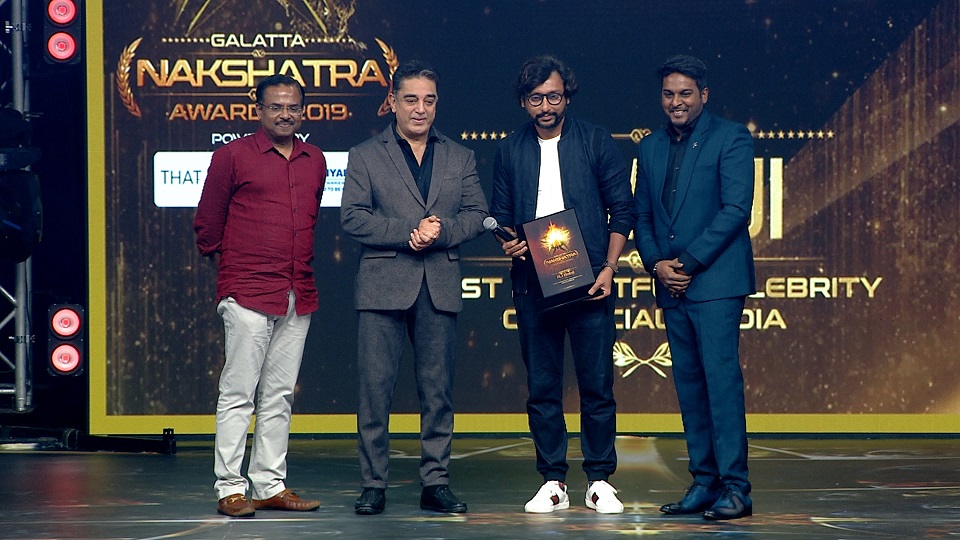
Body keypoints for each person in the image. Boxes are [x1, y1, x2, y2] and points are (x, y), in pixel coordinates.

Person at [489, 55, 636, 514]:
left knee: (597, 386)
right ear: (523, 102)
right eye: (536, 98)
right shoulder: (510, 149)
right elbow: (500, 215)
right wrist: (509, 242)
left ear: (567, 96)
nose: (546, 106)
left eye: (554, 96)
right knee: (542, 387)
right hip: (533, 283)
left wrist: (609, 267)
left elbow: (622, 210)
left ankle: (599, 481)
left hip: (590, 280)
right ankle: (553, 481)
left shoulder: (595, 140)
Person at [340, 61, 488, 515]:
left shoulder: (460, 155)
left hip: (438, 283)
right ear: (392, 101)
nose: (420, 109)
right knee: (375, 391)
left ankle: (435, 482)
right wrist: (409, 232)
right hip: (383, 284)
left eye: (429, 100)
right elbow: (353, 217)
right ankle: (373, 484)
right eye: (410, 99)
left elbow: (477, 215)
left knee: (438, 392)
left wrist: (438, 233)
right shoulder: (365, 154)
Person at [194, 74, 325, 518]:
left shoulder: (314, 159)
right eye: (276, 107)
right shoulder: (232, 156)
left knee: (280, 395)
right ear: (259, 110)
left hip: (297, 290)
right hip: (247, 289)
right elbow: (208, 222)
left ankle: (269, 484)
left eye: (293, 107)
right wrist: (232, 270)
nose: (285, 114)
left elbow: (309, 218)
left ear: (302, 111)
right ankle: (230, 487)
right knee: (238, 393)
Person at [633, 54, 756, 521]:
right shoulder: (649, 147)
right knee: (689, 386)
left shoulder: (731, 137)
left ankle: (736, 489)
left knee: (721, 384)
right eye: (668, 94)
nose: (676, 102)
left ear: (704, 94)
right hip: (671, 284)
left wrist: (685, 262)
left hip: (715, 281)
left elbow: (736, 209)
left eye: (685, 93)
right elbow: (643, 215)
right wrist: (656, 264)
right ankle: (705, 483)